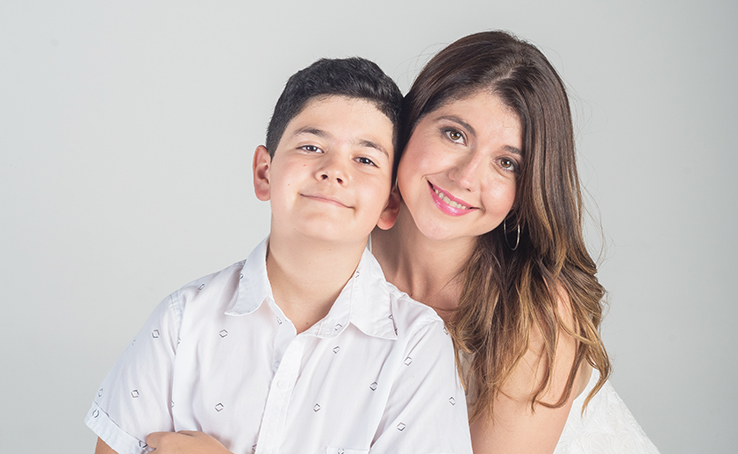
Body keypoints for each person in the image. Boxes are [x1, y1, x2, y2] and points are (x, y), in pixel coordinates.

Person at [141, 31, 661, 454]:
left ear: (528, 189)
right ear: (408, 128)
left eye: (507, 163)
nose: (466, 177)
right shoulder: (339, 247)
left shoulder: (535, 314)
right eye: (454, 134)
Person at [85, 57, 472, 454]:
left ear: (390, 204)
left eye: (365, 159)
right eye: (311, 146)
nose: (334, 170)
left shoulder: (417, 345)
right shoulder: (182, 320)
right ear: (264, 173)